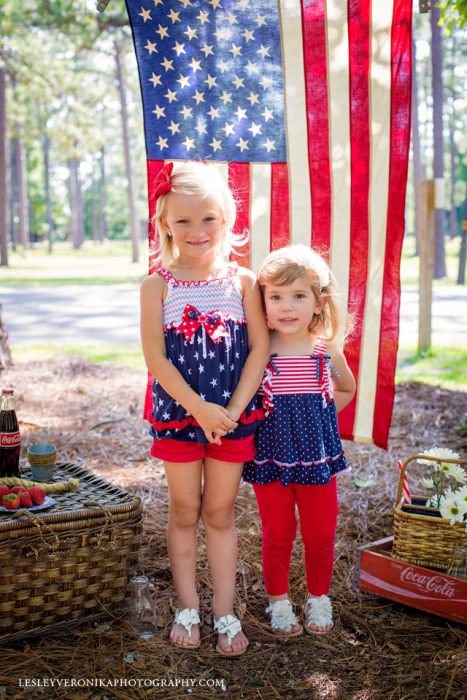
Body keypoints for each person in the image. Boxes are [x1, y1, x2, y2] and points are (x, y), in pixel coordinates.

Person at [140, 161, 269, 656]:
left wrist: (231, 411)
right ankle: (187, 607)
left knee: (219, 513)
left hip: (233, 419)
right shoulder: (158, 286)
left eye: (208, 219)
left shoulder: (242, 281)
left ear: (227, 218)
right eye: (184, 221)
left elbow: (258, 348)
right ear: (165, 224)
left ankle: (225, 611)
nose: (197, 231)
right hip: (179, 417)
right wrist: (200, 410)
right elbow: (156, 358)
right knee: (185, 510)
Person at [243, 244, 356, 636]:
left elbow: (347, 389)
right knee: (278, 533)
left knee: (320, 532)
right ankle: (278, 602)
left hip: (317, 458)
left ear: (318, 302)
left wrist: (319, 418)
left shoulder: (324, 351)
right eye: (275, 297)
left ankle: (319, 598)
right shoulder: (259, 352)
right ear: (262, 303)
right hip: (271, 457)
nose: (286, 307)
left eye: (297, 296)